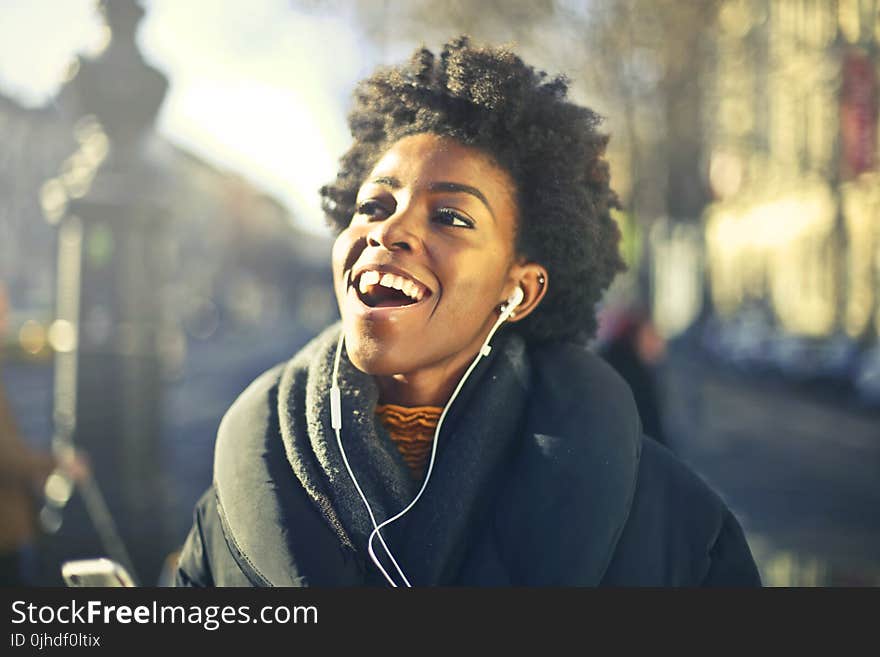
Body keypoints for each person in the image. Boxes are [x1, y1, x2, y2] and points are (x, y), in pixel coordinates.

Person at [174, 37, 760, 586]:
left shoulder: (681, 532)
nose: (389, 230)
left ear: (520, 290)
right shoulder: (225, 510)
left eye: (451, 216)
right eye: (375, 204)